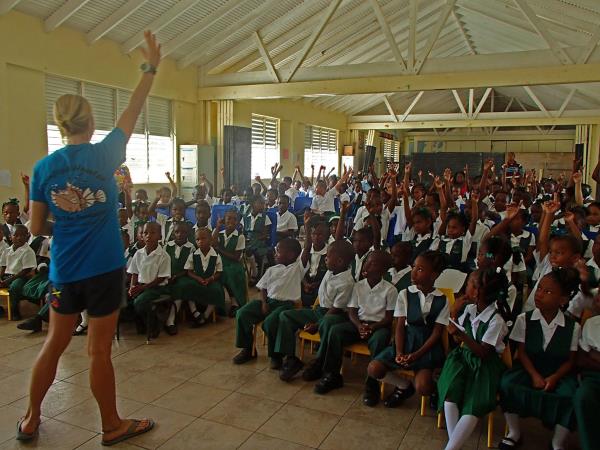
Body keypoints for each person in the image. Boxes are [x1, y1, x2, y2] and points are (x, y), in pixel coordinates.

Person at [19, 30, 160, 445]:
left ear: (59, 126)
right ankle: (112, 425)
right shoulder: (106, 154)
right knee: (98, 352)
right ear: (92, 122)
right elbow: (134, 107)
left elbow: (34, 228)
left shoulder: (44, 168)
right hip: (104, 268)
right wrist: (150, 67)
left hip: (64, 268)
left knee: (53, 343)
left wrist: (62, 228)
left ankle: (30, 419)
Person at [499, 268, 581, 450]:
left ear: (563, 300)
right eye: (539, 288)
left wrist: (554, 378)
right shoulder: (524, 319)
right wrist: (535, 375)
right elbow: (522, 352)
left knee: (571, 395)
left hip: (557, 372)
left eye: (548, 292)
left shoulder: (572, 327)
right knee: (508, 384)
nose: (540, 294)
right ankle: (514, 432)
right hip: (529, 367)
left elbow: (571, 360)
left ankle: (557, 442)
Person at [437, 267, 510, 450]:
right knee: (450, 392)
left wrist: (461, 336)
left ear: (477, 292)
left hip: (485, 365)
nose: (465, 286)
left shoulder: (496, 320)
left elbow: (483, 352)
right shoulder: (469, 309)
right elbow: (456, 336)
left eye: (469, 283)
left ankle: (451, 448)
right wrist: (454, 314)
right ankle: (455, 444)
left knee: (473, 404)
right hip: (464, 358)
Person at [366, 251, 448, 407]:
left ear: (434, 275)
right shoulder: (405, 294)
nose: (414, 272)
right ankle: (404, 386)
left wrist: (416, 355)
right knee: (374, 368)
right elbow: (399, 326)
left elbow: (437, 333)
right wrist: (399, 352)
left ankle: (434, 390)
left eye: (420, 269)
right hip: (406, 341)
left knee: (423, 386)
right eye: (414, 267)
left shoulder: (442, 299)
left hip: (427, 348)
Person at [313, 250, 396, 395]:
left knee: (380, 339)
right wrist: (359, 326)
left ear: (383, 270)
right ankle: (332, 375)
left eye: (373, 264)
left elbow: (389, 318)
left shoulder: (390, 290)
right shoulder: (359, 286)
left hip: (378, 326)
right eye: (367, 262)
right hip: (358, 323)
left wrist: (372, 327)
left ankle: (372, 383)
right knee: (335, 331)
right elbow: (352, 311)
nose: (367, 266)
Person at [276, 240, 355, 382]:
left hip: (334, 315)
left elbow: (336, 309)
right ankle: (291, 358)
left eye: (328, 256)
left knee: (327, 323)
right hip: (318, 311)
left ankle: (319, 363)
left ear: (339, 261)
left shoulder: (347, 282)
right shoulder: (332, 270)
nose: (325, 258)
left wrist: (316, 325)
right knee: (285, 316)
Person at [232, 238, 304, 368]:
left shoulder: (297, 268)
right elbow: (263, 288)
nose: (275, 254)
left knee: (270, 322)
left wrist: (308, 227)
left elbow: (307, 250)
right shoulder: (272, 269)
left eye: (278, 251)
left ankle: (276, 356)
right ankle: (248, 350)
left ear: (291, 255)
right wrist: (264, 303)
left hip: (286, 305)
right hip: (269, 301)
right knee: (242, 313)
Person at [127, 222, 171, 338]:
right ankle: (141, 323)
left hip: (157, 288)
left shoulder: (163, 255)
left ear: (160, 236)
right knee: (127, 299)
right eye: (145, 233)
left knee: (139, 302)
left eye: (152, 233)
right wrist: (132, 287)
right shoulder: (138, 253)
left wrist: (142, 288)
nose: (148, 235)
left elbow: (161, 278)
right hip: (141, 286)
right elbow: (134, 272)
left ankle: (153, 325)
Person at [574, 293, 600, 450]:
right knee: (583, 397)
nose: (597, 298)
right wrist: (591, 355)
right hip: (594, 378)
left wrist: (595, 354)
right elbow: (581, 360)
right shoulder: (591, 324)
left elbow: (589, 354)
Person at [185, 227, 225, 325]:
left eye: (203, 239)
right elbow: (189, 271)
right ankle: (195, 312)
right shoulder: (193, 255)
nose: (200, 242)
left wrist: (211, 279)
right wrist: (198, 278)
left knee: (217, 290)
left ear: (210, 240)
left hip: (211, 280)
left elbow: (219, 272)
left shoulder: (216, 255)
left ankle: (206, 315)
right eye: (198, 239)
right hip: (197, 280)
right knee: (188, 287)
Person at [163, 222, 197, 334]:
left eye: (183, 232)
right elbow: (162, 263)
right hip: (168, 275)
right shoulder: (168, 246)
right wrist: (168, 275)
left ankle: (171, 320)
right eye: (177, 232)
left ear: (188, 233)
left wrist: (177, 276)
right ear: (173, 233)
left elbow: (189, 268)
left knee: (181, 286)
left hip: (183, 275)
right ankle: (194, 312)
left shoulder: (191, 247)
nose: (180, 234)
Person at [213, 210, 247, 316]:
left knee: (227, 273)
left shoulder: (240, 237)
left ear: (238, 222)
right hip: (220, 262)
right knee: (215, 272)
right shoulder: (220, 233)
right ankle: (219, 303)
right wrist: (218, 227)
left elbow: (236, 257)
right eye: (229, 218)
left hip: (234, 264)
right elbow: (212, 243)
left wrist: (219, 249)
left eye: (234, 219)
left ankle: (235, 302)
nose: (231, 221)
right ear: (224, 220)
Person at [0, 225, 37, 321]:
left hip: (22, 276)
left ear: (27, 236)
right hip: (7, 276)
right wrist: (1, 277)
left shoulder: (28, 251)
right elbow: (3, 267)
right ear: (10, 237)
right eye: (16, 235)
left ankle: (14, 310)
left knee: (15, 287)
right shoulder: (6, 251)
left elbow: (25, 271)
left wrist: (7, 281)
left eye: (22, 235)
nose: (19, 238)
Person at [300, 216, 329, 308]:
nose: (316, 237)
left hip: (321, 283)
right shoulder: (306, 251)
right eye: (314, 234)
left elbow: (329, 274)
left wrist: (318, 283)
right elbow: (300, 270)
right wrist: (305, 283)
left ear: (326, 237)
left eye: (320, 235)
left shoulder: (329, 252)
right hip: (306, 282)